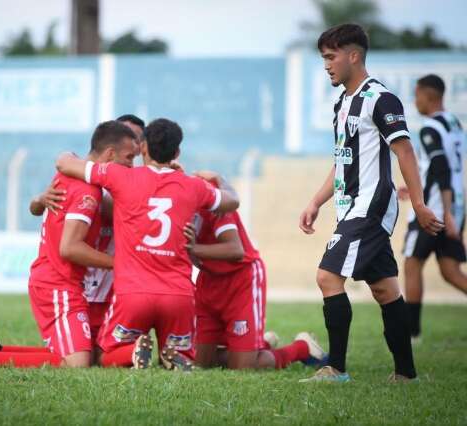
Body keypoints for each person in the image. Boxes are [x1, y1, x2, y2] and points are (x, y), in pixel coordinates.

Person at [298, 24, 442, 383]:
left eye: (331, 57)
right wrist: (316, 201)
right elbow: (343, 160)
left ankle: (336, 370)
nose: (327, 65)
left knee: (327, 277)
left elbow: (404, 151)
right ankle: (406, 375)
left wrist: (420, 205)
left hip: (371, 205)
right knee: (385, 289)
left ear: (353, 55)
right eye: (323, 59)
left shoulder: (380, 98)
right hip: (352, 206)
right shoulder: (344, 103)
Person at [0, 121, 137, 368]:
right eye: (129, 157)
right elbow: (69, 248)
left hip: (58, 281)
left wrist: (38, 201)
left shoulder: (69, 169)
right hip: (58, 284)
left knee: (78, 356)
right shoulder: (89, 192)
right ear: (110, 153)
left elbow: (49, 200)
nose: (132, 165)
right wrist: (120, 264)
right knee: (77, 364)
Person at [56, 118, 240, 370]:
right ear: (176, 152)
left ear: (143, 148)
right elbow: (232, 201)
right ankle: (173, 356)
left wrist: (66, 156)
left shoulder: (119, 175)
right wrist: (220, 179)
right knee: (183, 355)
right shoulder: (194, 186)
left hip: (134, 294)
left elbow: (64, 163)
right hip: (178, 296)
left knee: (103, 356)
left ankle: (132, 350)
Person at [185, 207, 328, 370]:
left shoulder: (210, 198)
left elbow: (236, 250)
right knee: (201, 364)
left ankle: (302, 348)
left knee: (242, 367)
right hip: (208, 278)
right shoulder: (168, 199)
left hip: (240, 279)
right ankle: (261, 344)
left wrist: (193, 249)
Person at [401, 74, 467, 342]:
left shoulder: (429, 128)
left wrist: (446, 212)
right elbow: (447, 167)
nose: (415, 102)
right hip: (455, 206)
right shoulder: (454, 123)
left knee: (411, 264)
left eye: (416, 96)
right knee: (451, 272)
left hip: (435, 210)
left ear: (426, 95)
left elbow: (440, 168)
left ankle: (411, 332)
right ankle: (412, 330)